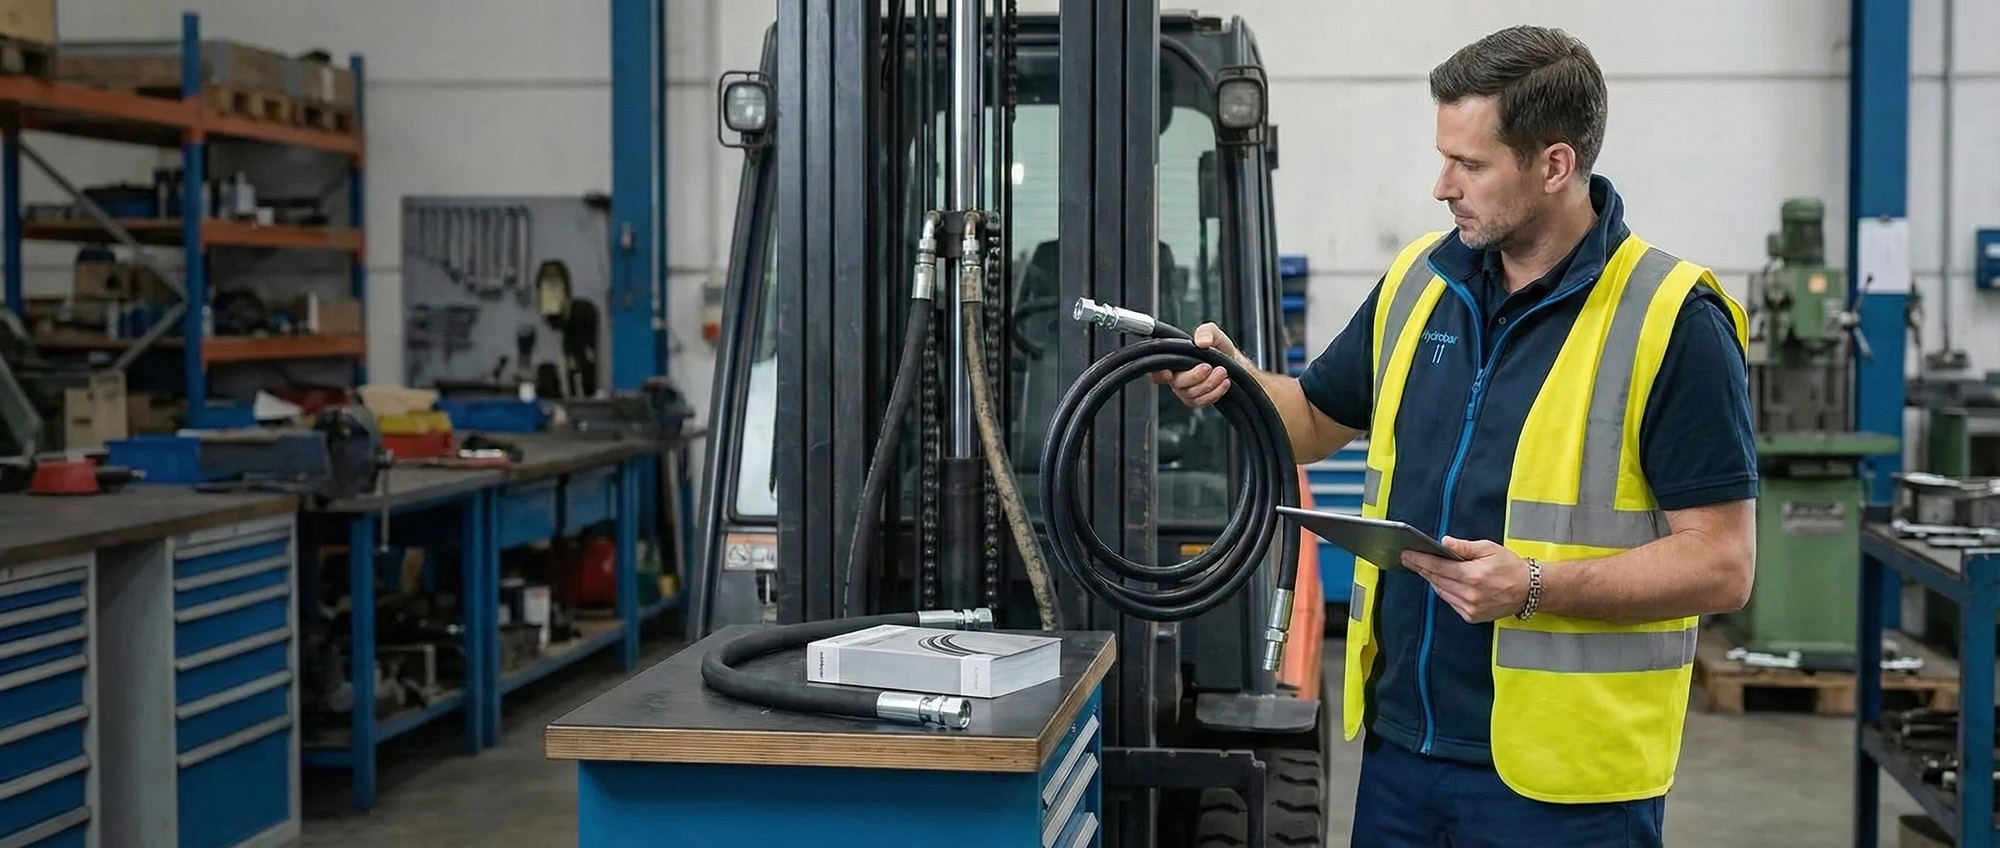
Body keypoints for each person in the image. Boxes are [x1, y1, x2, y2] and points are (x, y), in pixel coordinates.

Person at [1157, 24, 1758, 848]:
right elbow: (1306, 423)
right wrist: (1231, 380)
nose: (1443, 185)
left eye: (1470, 164)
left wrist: (1535, 585)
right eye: (1444, 157)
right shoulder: (1421, 283)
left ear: (1554, 165)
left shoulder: (1671, 319)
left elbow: (1723, 564)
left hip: (1566, 789)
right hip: (1404, 753)